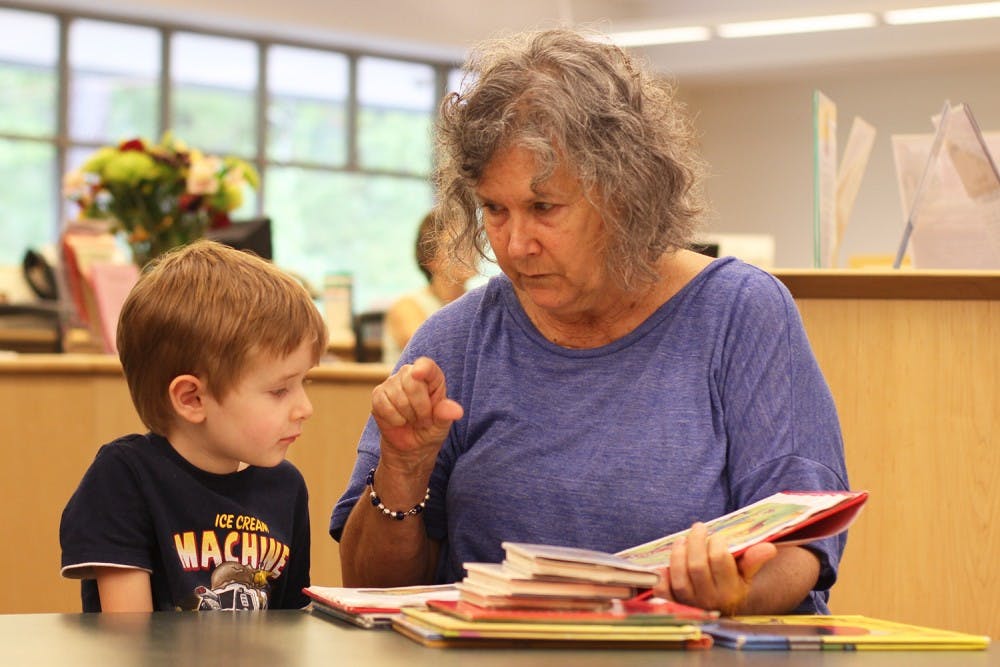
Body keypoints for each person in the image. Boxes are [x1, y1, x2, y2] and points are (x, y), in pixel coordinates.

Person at [331, 28, 849, 617]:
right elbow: (370, 586)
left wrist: (737, 594)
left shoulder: (740, 315)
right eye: (494, 210)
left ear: (626, 191)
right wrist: (401, 469)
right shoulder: (455, 342)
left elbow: (803, 542)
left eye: (543, 207)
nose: (516, 243)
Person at [60, 240, 328, 612]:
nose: (305, 408)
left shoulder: (286, 486)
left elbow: (291, 626)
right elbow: (128, 639)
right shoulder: (125, 477)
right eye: (280, 390)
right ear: (192, 399)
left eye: (304, 383)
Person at [382, 211, 477, 367]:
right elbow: (429, 356)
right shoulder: (406, 307)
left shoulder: (480, 305)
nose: (471, 251)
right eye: (457, 244)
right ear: (430, 259)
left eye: (471, 241)